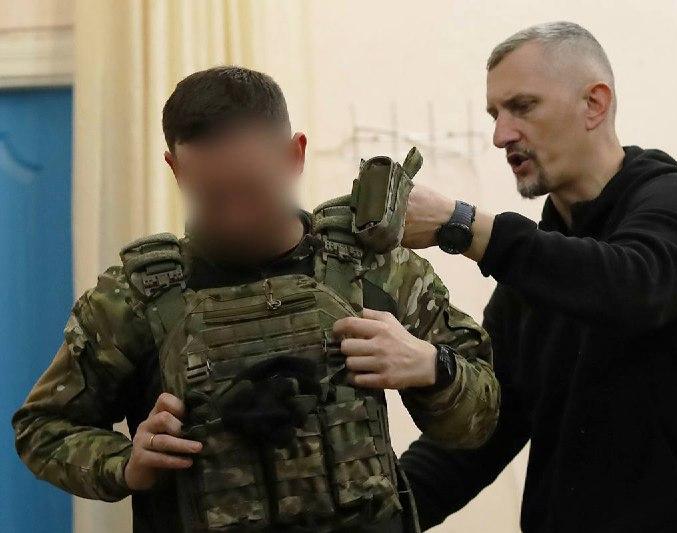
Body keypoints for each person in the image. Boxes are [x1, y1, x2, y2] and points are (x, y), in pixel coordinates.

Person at [12, 66, 499, 533]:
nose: (236, 218)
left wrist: (432, 368)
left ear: (294, 155)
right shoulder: (132, 299)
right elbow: (41, 428)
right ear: (175, 168)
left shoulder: (376, 270)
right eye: (213, 197)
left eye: (251, 191)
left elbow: (482, 418)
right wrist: (124, 464)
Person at [400, 21, 677, 532]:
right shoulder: (535, 274)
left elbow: (627, 289)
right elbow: (479, 435)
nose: (501, 135)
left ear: (594, 104)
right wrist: (361, 514)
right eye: (495, 114)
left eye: (522, 107)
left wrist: (461, 225)